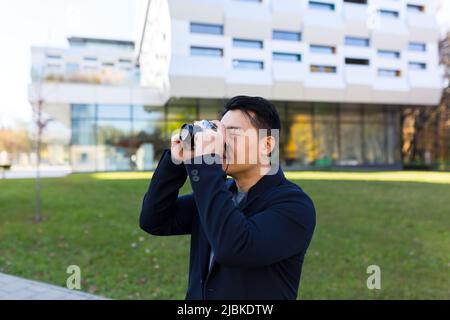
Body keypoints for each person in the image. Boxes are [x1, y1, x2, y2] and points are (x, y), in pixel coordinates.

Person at [139, 95, 316, 300]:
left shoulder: (294, 206)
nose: (220, 141)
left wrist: (206, 165)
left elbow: (234, 248)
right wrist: (174, 162)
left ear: (266, 145)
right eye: (219, 133)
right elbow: (154, 221)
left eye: (232, 133)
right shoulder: (220, 192)